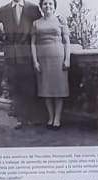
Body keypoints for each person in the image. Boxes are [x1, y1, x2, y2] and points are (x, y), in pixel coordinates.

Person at [0, 0, 43, 128]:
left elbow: (42, 24)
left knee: (30, 85)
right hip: (11, 54)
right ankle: (20, 119)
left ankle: (32, 117)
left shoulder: (33, 8)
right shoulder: (4, 9)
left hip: (28, 53)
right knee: (15, 86)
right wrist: (2, 37)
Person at [30, 0, 71, 129]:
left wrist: (67, 59)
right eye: (45, 4)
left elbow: (67, 41)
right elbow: (33, 43)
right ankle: (50, 117)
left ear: (54, 6)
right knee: (46, 89)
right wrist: (35, 61)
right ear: (41, 7)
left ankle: (57, 119)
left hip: (58, 57)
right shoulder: (36, 23)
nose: (47, 6)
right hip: (43, 59)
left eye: (50, 3)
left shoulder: (61, 21)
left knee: (59, 89)